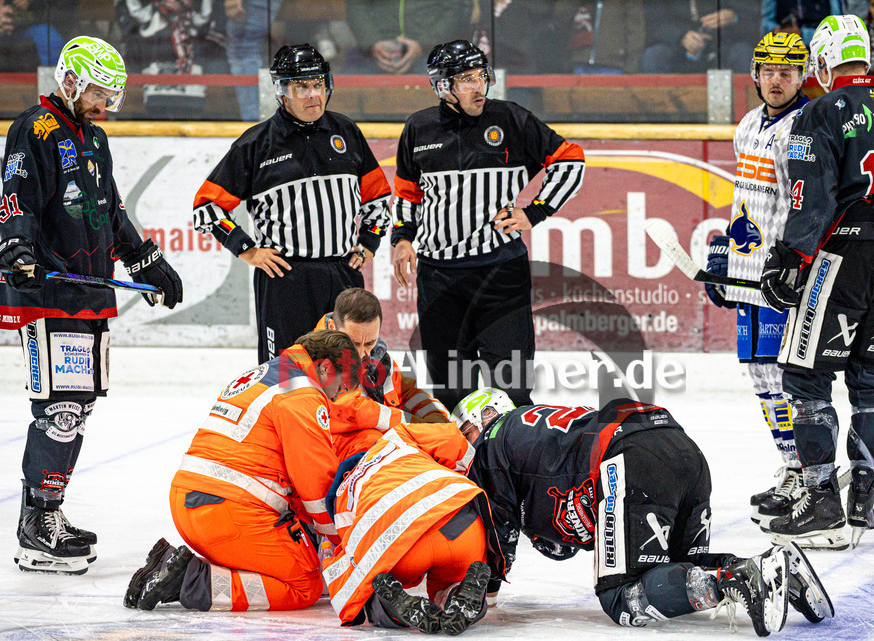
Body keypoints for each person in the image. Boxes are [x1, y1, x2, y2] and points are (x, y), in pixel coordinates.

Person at [0, 36, 183, 575]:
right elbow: (18, 201)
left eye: (112, 95)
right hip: (47, 288)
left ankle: (47, 510)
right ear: (71, 80)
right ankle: (37, 525)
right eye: (98, 91)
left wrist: (147, 261)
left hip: (88, 290)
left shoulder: (93, 137)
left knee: (76, 407)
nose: (105, 104)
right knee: (59, 407)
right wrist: (18, 251)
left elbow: (110, 212)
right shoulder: (35, 128)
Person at [760, 15, 874, 550]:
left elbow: (809, 197)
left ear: (822, 61)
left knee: (806, 377)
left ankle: (821, 504)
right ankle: (862, 502)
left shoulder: (820, 110)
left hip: (842, 257)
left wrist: (788, 258)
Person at [453, 389, 834, 636]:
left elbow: (498, 527)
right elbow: (561, 540)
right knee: (683, 566)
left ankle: (737, 577)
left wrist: (486, 593)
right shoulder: (538, 432)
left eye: (465, 432)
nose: (466, 447)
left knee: (620, 598)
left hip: (627, 460)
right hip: (682, 449)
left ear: (483, 418)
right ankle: (768, 566)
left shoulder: (492, 442)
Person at [124, 329, 408, 612]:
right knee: (305, 584)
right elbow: (317, 487)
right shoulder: (303, 396)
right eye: (342, 385)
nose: (338, 395)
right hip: (228, 513)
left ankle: (174, 568)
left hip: (190, 503)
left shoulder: (270, 373)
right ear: (324, 367)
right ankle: (190, 580)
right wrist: (344, 545)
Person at [392, 40, 585, 410]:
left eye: (481, 76)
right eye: (466, 79)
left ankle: (512, 463)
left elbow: (571, 160)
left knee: (511, 390)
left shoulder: (511, 119)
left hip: (500, 274)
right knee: (451, 393)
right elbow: (407, 192)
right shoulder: (419, 128)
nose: (479, 86)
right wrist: (402, 237)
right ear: (442, 85)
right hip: (439, 278)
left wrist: (535, 211)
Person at [192, 43, 392, 364]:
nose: (314, 95)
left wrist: (369, 241)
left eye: (318, 85)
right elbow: (207, 207)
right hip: (286, 278)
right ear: (282, 91)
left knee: (348, 371)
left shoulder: (346, 132)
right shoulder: (255, 144)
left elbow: (378, 196)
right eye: (302, 87)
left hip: (342, 274)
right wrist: (248, 250)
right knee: (284, 374)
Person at [704, 32, 809, 531]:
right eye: (768, 69)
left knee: (789, 379)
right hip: (749, 274)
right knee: (762, 379)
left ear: (803, 74)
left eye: (787, 71)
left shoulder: (804, 127)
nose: (776, 79)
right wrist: (727, 250)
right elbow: (746, 199)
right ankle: (793, 467)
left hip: (782, 276)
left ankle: (812, 474)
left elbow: (804, 208)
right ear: (754, 73)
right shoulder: (747, 125)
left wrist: (786, 265)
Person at [322, 421, 504, 635]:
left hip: (400, 544)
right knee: (453, 580)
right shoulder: (396, 439)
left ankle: (393, 608)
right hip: (459, 517)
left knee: (368, 592)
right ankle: (455, 594)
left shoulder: (342, 496)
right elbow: (451, 439)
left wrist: (329, 558)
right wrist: (467, 468)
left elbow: (351, 555)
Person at [315, 287, 449, 424]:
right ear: (332, 327)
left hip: (388, 435)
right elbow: (352, 412)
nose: (361, 353)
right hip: (355, 440)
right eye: (354, 343)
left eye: (369, 342)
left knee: (449, 436)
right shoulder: (317, 361)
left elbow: (407, 393)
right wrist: (413, 423)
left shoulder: (379, 356)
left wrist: (438, 417)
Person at [344, 0, 469, 74]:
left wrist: (423, 44)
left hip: (431, 52)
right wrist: (372, 42)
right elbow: (356, 5)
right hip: (372, 53)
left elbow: (454, 8)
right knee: (342, 88)